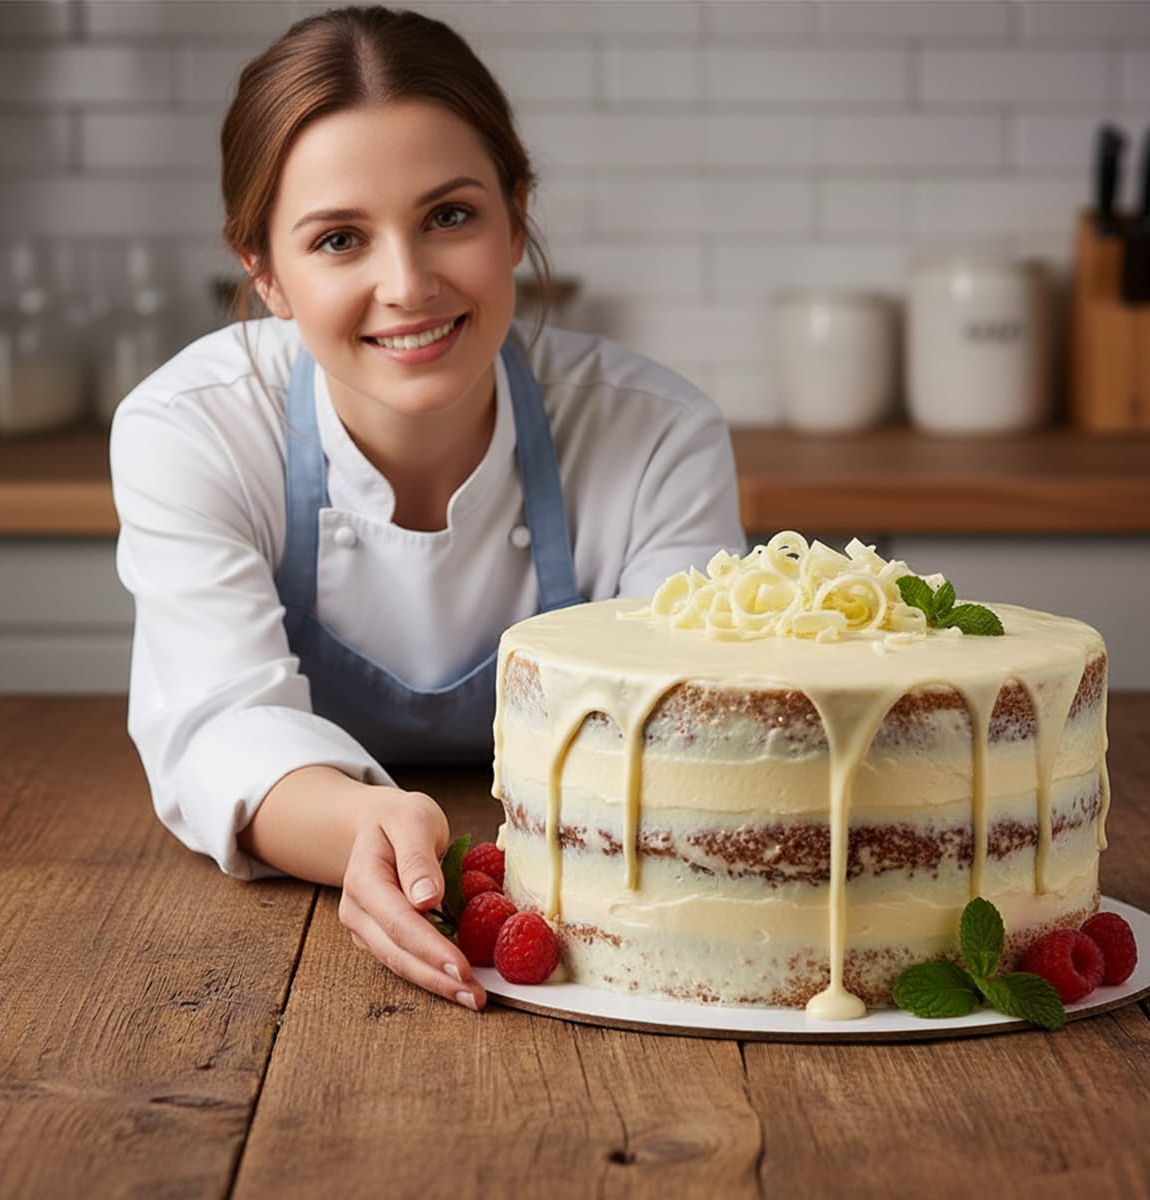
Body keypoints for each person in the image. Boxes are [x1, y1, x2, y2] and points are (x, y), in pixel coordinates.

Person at [110, 5, 744, 1014]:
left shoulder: (656, 434)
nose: (406, 285)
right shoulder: (191, 432)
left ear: (517, 216)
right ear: (266, 273)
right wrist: (367, 831)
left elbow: (689, 744)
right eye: (339, 239)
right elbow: (220, 725)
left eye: (450, 216)